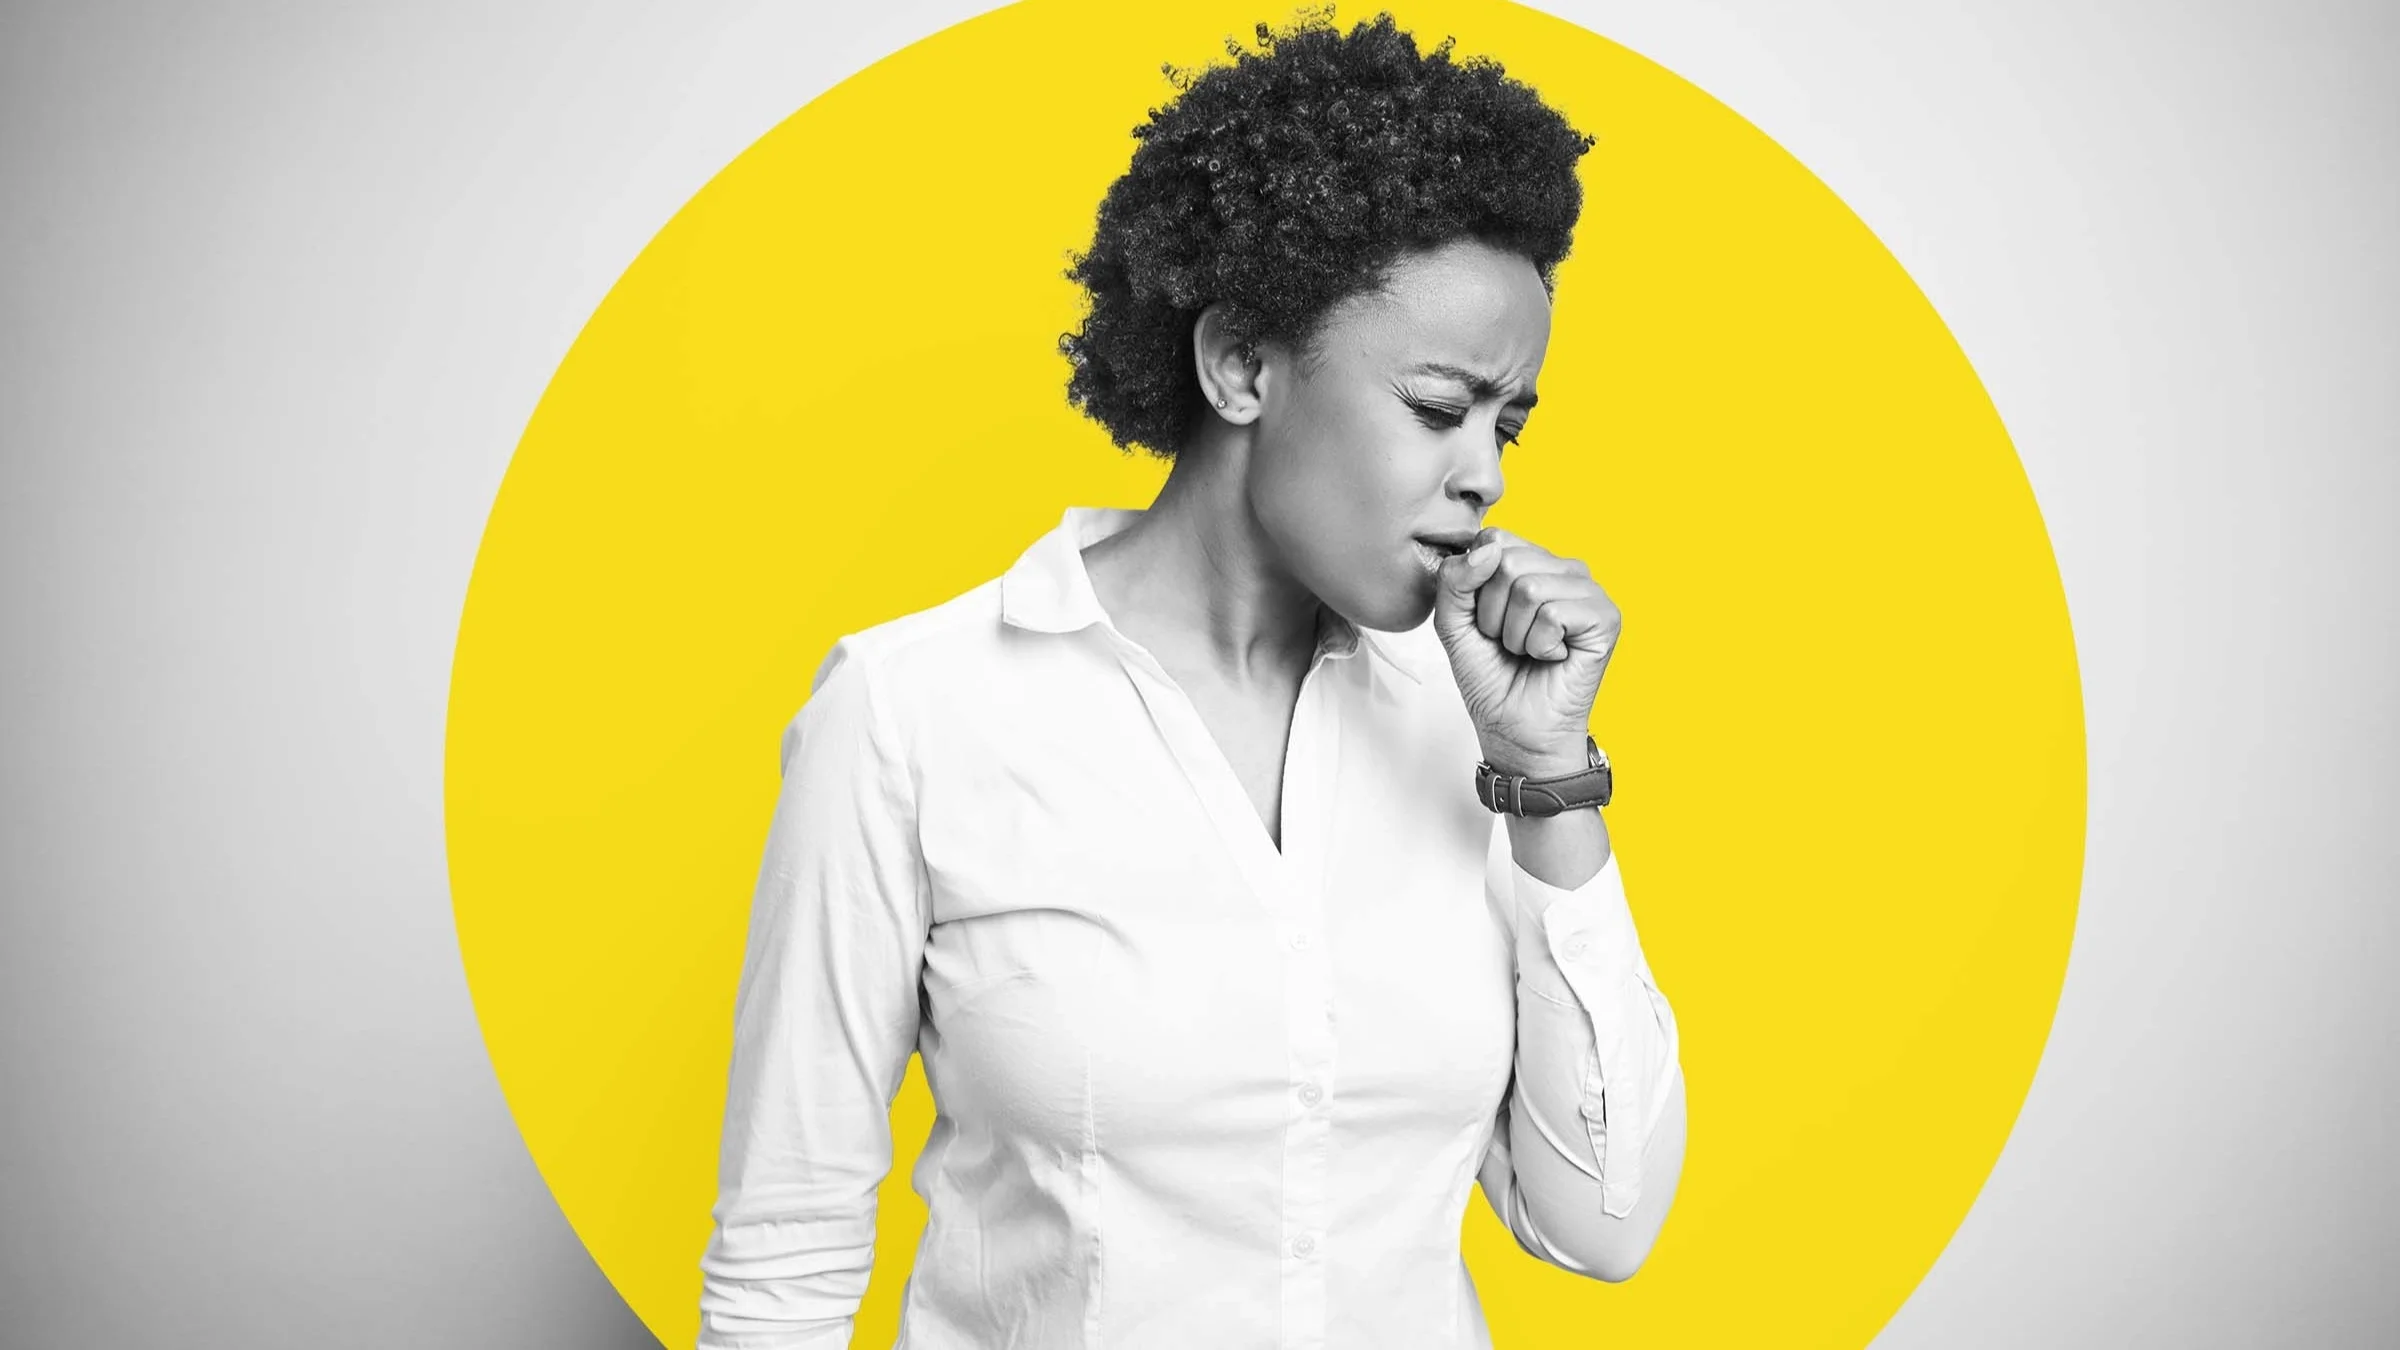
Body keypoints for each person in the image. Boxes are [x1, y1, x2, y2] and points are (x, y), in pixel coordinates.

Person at [697, 12, 1686, 1348]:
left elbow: (1601, 1225)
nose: (1488, 475)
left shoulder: (1477, 730)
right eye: (1440, 407)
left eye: (1507, 424)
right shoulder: (910, 711)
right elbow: (785, 1255)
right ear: (1239, 364)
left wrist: (1552, 777)